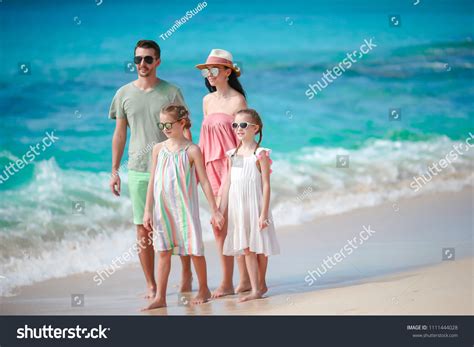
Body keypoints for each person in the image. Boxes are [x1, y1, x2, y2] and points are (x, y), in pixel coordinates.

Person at [109, 40, 193, 299]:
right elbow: (120, 133)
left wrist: (190, 162)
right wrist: (114, 170)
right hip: (138, 170)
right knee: (142, 228)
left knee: (178, 225)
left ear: (158, 61)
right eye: (138, 59)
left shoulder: (171, 92)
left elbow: (185, 128)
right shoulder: (123, 94)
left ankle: (187, 274)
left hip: (171, 169)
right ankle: (152, 285)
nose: (142, 64)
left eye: (147, 59)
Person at [142, 105, 224, 310]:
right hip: (163, 209)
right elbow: (153, 180)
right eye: (162, 124)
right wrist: (147, 210)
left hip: (185, 209)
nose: (165, 128)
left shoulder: (192, 150)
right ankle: (160, 296)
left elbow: (204, 181)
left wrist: (215, 209)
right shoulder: (158, 149)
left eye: (169, 124)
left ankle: (203, 288)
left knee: (194, 249)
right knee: (163, 250)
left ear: (181, 123)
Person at [195, 48, 251, 298]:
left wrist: (232, 175)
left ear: (228, 72)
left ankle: (238, 280)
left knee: (232, 224)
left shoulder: (238, 101)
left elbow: (241, 142)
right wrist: (196, 169)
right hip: (209, 168)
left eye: (214, 70)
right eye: (207, 70)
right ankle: (234, 280)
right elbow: (203, 138)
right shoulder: (207, 101)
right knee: (219, 226)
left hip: (231, 168)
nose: (209, 74)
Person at [219, 108, 280, 302]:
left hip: (256, 206)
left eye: (243, 125)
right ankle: (255, 288)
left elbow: (266, 184)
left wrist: (263, 214)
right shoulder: (233, 154)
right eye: (235, 125)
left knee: (260, 247)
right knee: (246, 248)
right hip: (239, 208)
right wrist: (220, 210)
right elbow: (228, 182)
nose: (238, 128)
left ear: (255, 128)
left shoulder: (259, 153)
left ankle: (260, 284)